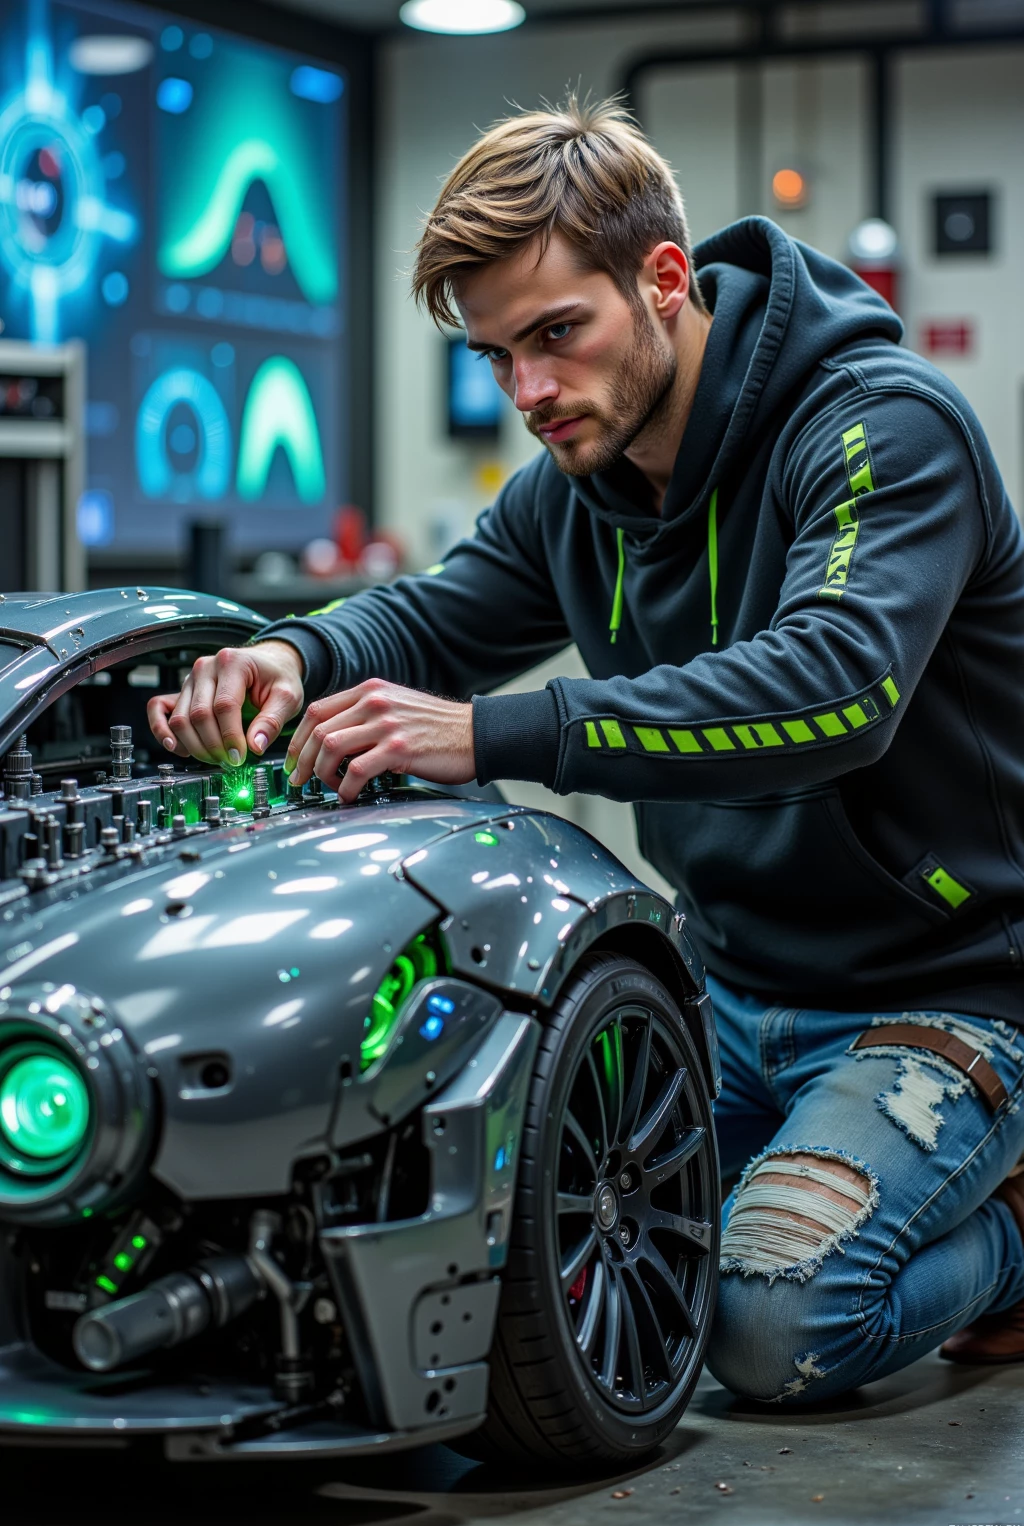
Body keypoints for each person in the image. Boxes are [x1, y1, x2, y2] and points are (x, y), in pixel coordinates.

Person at [149, 95, 1024, 1403]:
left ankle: (1011, 1238)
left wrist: (504, 729)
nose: (531, 393)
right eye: (501, 357)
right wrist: (295, 653)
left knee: (769, 1326)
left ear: (665, 281)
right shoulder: (578, 493)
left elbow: (838, 688)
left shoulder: (883, 430)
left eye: (559, 334)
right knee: (526, 1256)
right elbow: (432, 615)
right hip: (726, 988)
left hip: (946, 991)